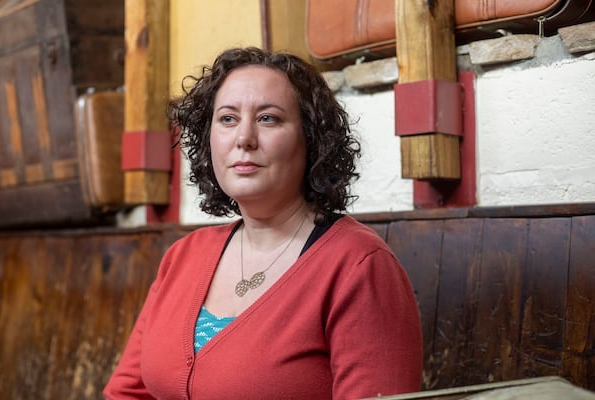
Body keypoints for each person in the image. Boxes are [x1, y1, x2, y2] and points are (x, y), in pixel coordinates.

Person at [104, 47, 422, 399]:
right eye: (227, 119)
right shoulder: (183, 256)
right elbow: (127, 393)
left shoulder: (359, 266)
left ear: (312, 139)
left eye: (268, 118)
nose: (244, 139)